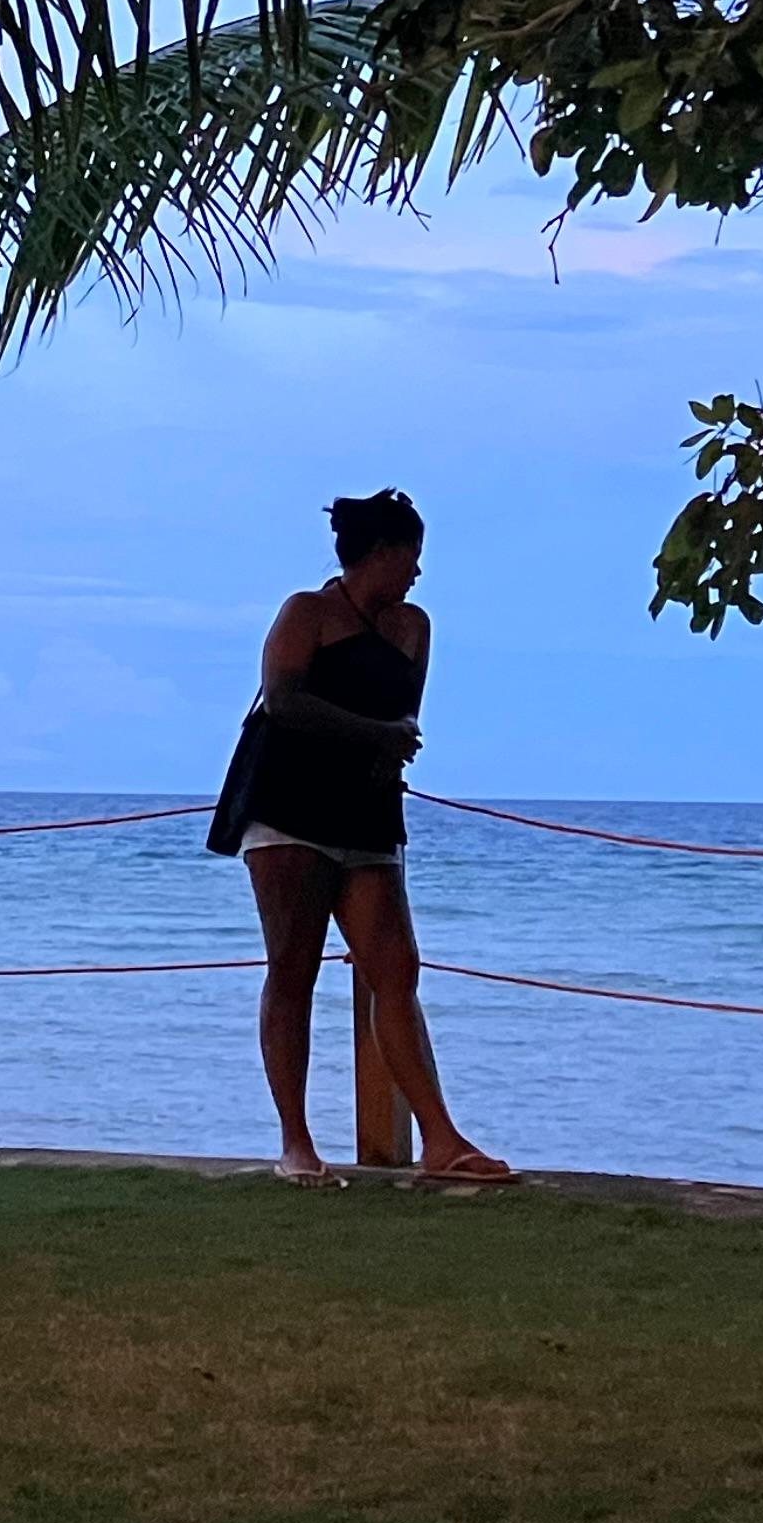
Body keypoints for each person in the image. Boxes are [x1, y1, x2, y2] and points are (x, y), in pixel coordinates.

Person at [207, 488, 513, 1188]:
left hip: (368, 814)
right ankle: (297, 1144)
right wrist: (376, 736)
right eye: (410, 558)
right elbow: (284, 701)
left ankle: (441, 1138)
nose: (415, 573)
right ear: (379, 553)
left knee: (396, 969)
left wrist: (386, 742)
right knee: (294, 967)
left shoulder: (413, 627)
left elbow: (405, 719)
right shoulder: (306, 614)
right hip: (289, 811)